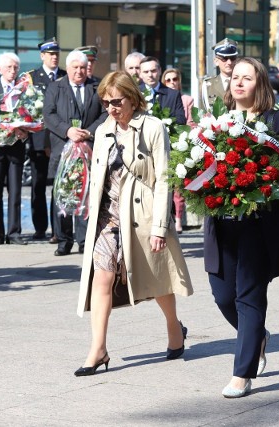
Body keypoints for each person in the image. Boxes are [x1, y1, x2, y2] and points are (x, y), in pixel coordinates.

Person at [75, 71, 193, 376]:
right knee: (100, 279)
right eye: (105, 102)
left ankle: (173, 327)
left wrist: (159, 227)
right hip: (107, 217)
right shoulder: (103, 129)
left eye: (117, 101)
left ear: (132, 97)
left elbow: (165, 179)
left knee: (155, 280)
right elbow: (99, 173)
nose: (111, 108)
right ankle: (98, 349)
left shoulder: (152, 127)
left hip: (141, 215)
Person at [204, 57, 279, 398]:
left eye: (247, 78)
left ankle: (241, 374)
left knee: (249, 295)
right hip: (221, 222)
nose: (239, 82)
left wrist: (254, 175)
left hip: (260, 223)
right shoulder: (218, 120)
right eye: (235, 77)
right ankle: (258, 336)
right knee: (222, 295)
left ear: (260, 84)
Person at [44, 50, 107, 256]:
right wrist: (67, 130)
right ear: (68, 68)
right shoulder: (55, 88)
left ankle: (83, 240)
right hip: (63, 150)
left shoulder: (95, 87)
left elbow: (104, 114)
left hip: (88, 148)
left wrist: (89, 132)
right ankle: (63, 240)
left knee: (85, 193)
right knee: (63, 195)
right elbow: (49, 115)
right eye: (75, 67)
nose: (79, 71)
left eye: (82, 67)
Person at [0, 52, 28, 246]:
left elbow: (31, 115)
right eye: (9, 68)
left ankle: (14, 232)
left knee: (15, 193)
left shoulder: (24, 89)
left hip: (15, 148)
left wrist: (26, 132)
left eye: (15, 68)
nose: (12, 71)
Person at [29, 37, 66, 242]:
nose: (54, 57)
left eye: (57, 54)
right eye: (51, 54)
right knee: (38, 185)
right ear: (42, 55)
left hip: (59, 140)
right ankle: (40, 228)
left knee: (59, 186)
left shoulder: (64, 76)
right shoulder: (33, 78)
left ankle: (57, 229)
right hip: (38, 140)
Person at [161, 67, 194, 233]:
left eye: (175, 79)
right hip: (164, 144)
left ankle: (179, 220)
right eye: (168, 80)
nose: (172, 82)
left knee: (178, 187)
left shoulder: (187, 99)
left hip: (181, 143)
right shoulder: (162, 99)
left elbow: (190, 122)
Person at [139, 56, 186, 125]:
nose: (150, 75)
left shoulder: (173, 95)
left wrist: (164, 123)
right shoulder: (135, 93)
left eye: (153, 71)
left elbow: (181, 120)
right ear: (140, 74)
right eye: (146, 72)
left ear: (160, 71)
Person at [201, 38, 238, 110]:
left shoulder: (243, 83)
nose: (229, 62)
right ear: (216, 62)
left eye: (232, 58)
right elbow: (203, 113)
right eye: (224, 59)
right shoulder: (208, 85)